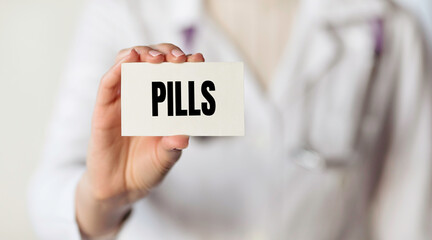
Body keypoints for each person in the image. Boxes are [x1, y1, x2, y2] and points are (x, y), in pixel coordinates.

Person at [29, 0, 432, 239]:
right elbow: (48, 196)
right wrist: (104, 197)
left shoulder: (389, 27)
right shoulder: (128, 11)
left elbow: (409, 218)